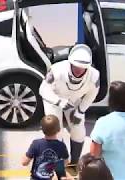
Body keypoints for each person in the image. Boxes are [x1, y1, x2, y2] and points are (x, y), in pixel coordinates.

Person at [39, 44, 100, 173]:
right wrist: (58, 101)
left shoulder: (94, 76)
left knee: (78, 129)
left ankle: (74, 163)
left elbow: (91, 95)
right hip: (54, 99)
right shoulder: (56, 70)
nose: (78, 70)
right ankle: (58, 165)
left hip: (74, 101)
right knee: (56, 131)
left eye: (82, 68)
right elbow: (43, 89)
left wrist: (80, 111)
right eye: (76, 66)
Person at [22, 115, 69, 180]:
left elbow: (24, 163)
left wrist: (25, 154)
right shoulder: (61, 146)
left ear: (42, 129)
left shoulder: (36, 143)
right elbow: (65, 162)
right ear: (59, 129)